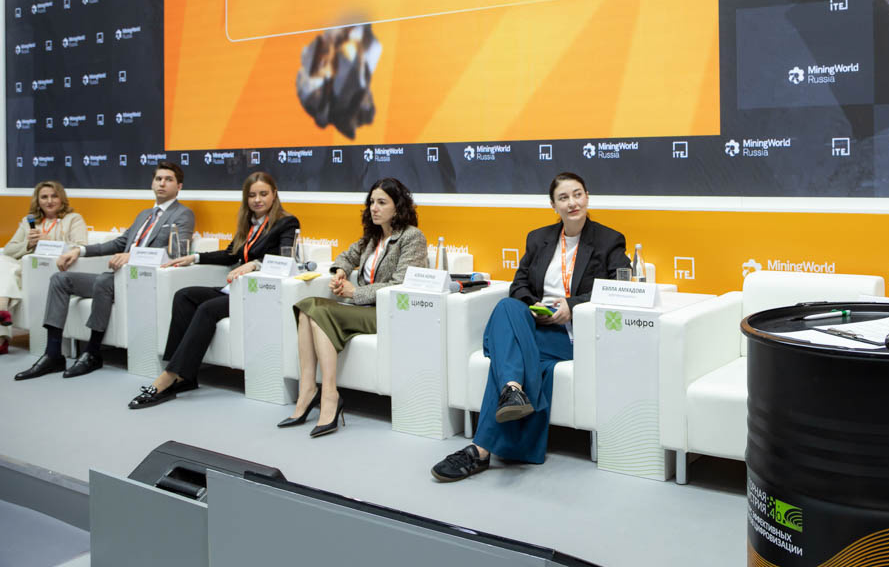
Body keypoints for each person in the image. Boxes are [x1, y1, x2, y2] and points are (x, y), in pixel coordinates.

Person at [432, 172, 631, 481]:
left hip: (573, 334)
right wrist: (537, 309)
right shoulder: (539, 239)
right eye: (563, 198)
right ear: (553, 205)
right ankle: (513, 391)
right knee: (507, 307)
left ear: (587, 197)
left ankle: (480, 448)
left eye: (577, 194)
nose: (572, 203)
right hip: (537, 325)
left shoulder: (609, 240)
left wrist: (573, 306)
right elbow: (519, 286)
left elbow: (622, 287)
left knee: (506, 354)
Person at [127, 172, 299, 408]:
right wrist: (195, 257)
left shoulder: (287, 222)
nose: (257, 200)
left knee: (208, 309)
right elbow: (230, 254)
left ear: (274, 194)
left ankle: (168, 378)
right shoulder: (248, 224)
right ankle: (184, 376)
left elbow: (285, 258)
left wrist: (255, 264)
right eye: (252, 195)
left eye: (263, 194)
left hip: (259, 294)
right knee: (184, 295)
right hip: (234, 289)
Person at [14, 163, 195, 380]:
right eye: (158, 179)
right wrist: (79, 251)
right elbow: (119, 243)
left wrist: (133, 256)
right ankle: (53, 354)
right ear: (152, 183)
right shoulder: (144, 214)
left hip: (143, 280)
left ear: (179, 186)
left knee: (103, 282)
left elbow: (176, 251)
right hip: (116, 278)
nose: (162, 183)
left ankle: (92, 352)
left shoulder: (183, 214)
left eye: (168, 179)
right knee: (60, 279)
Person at [278, 178, 426, 437]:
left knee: (315, 309)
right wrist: (340, 272)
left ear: (398, 207)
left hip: (385, 313)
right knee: (306, 308)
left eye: (382, 203)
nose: (374, 208)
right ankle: (307, 390)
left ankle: (329, 395)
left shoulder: (412, 237)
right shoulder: (373, 237)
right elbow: (346, 257)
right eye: (372, 202)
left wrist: (355, 292)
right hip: (362, 309)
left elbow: (401, 283)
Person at [0, 182, 88, 355]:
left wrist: (49, 241)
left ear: (62, 199)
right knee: (3, 263)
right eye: (44, 197)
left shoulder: (74, 219)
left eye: (54, 196)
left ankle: (2, 330)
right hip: (26, 267)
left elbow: (81, 247)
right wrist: (28, 244)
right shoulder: (29, 221)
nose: (49, 201)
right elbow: (9, 249)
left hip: (53, 268)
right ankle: (2, 315)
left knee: (8, 273)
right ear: (38, 200)